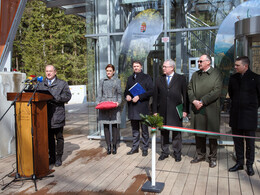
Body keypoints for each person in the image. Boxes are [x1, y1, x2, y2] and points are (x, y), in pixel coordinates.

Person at [188, 54, 223, 168]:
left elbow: (217, 91)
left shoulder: (216, 74)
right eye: (198, 61)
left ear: (208, 62)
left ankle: (212, 157)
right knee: (199, 133)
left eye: (201, 61)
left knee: (212, 134)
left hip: (211, 108)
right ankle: (200, 155)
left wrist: (202, 101)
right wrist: (194, 101)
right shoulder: (195, 75)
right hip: (197, 108)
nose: (198, 63)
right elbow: (189, 89)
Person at [228, 56, 260, 176]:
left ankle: (249, 165)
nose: (235, 67)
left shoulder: (256, 78)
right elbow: (231, 94)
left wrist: (252, 107)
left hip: (249, 116)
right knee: (238, 141)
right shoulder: (233, 78)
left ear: (245, 66)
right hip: (236, 116)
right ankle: (239, 163)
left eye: (237, 65)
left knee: (250, 143)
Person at [153, 59, 188, 162]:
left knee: (176, 133)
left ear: (172, 67)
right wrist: (155, 111)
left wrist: (185, 110)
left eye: (165, 66)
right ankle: (165, 152)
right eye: (163, 66)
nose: (163, 68)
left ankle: (177, 153)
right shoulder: (159, 79)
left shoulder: (181, 79)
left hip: (176, 110)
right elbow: (155, 97)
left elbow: (185, 96)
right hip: (162, 110)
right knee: (164, 132)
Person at [38, 65, 72, 167]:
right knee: (49, 138)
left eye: (50, 71)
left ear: (55, 72)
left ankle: (58, 157)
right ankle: (51, 157)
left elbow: (68, 96)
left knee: (59, 137)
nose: (48, 73)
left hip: (57, 115)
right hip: (44, 115)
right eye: (46, 71)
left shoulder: (62, 83)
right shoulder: (41, 84)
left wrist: (55, 98)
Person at [124, 61, 153, 156]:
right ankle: (135, 147)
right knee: (135, 130)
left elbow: (151, 91)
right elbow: (126, 91)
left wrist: (139, 97)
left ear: (141, 67)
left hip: (143, 107)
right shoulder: (129, 78)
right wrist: (127, 96)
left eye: (137, 66)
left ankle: (145, 148)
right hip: (133, 108)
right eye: (134, 66)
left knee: (144, 130)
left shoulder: (147, 77)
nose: (135, 68)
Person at [96, 64, 122, 155]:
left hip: (114, 105)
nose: (109, 72)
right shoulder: (102, 81)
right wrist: (98, 102)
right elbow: (99, 93)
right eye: (107, 71)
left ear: (113, 72)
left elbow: (119, 93)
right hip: (104, 105)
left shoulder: (117, 81)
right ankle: (108, 146)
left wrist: (118, 102)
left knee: (114, 126)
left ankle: (114, 146)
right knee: (106, 126)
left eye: (110, 71)